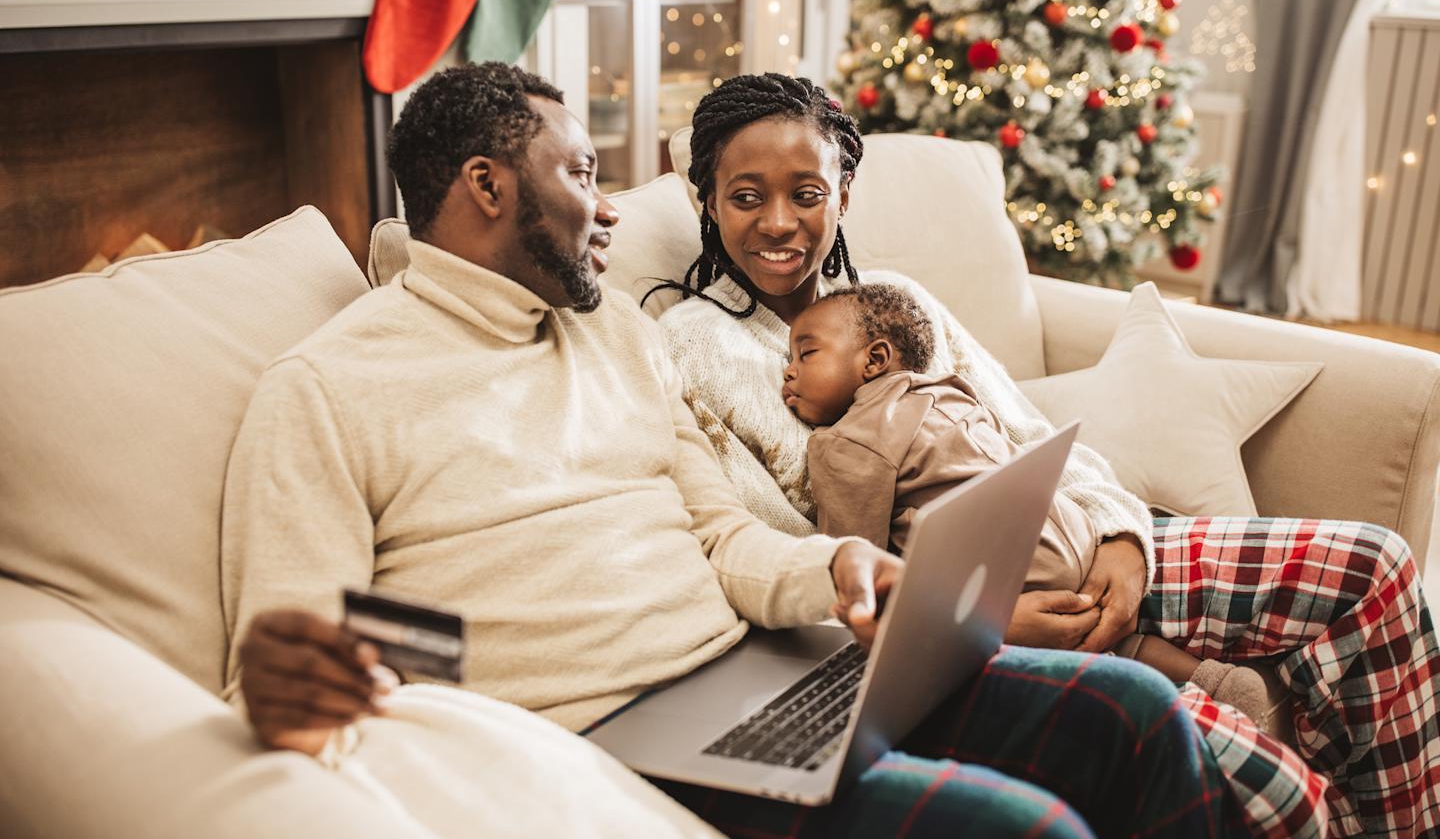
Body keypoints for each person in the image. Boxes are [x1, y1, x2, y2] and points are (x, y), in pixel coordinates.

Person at [221, 62, 1244, 839]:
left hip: (772, 677)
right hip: (605, 744)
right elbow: (289, 664)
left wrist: (835, 565)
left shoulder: (612, 333)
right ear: (488, 188)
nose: (612, 204)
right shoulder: (326, 389)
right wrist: (292, 682)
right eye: (581, 172)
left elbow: (719, 535)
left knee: (1141, 711)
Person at [656, 71, 1440, 839]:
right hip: (961, 623)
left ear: (845, 194)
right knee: (1284, 794)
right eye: (747, 197)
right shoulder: (689, 345)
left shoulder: (897, 298)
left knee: (1375, 566)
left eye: (808, 192)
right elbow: (781, 557)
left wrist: (1123, 537)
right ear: (708, 201)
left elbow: (1025, 432)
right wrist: (979, 625)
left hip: (1070, 531)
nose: (780, 223)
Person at [781, 283, 1270, 722]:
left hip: (1010, 575)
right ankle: (1217, 681)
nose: (788, 372)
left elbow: (854, 561)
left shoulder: (846, 443)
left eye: (805, 354)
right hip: (1073, 531)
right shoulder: (950, 392)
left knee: (1090, 648)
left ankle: (1193, 707)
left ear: (874, 359)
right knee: (1108, 634)